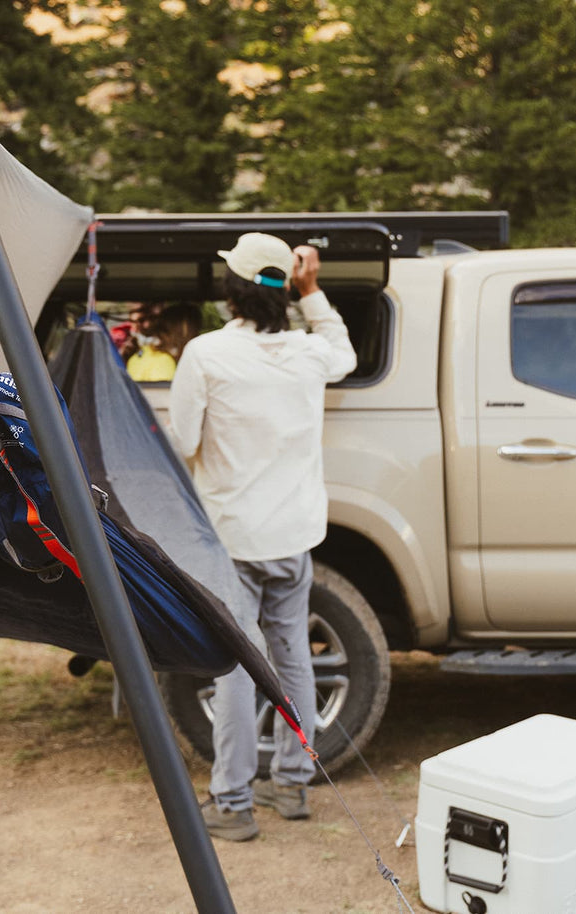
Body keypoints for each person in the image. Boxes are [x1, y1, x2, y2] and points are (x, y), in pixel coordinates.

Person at [168, 232, 357, 841]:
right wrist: (313, 291)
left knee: (234, 667)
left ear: (232, 290)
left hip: (232, 537)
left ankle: (232, 802)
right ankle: (294, 784)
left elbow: (183, 443)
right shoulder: (308, 354)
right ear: (284, 292)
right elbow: (343, 354)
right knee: (293, 656)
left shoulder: (206, 355)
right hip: (293, 535)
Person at [127, 303, 202, 381]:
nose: (198, 337)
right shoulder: (163, 363)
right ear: (183, 333)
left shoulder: (141, 355)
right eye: (195, 332)